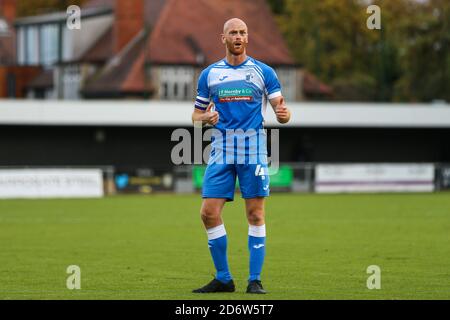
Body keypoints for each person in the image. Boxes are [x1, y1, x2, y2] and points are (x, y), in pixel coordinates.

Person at [191, 18, 291, 294]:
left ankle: (254, 280)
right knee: (208, 213)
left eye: (243, 32)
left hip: (253, 149)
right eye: (233, 32)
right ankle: (224, 278)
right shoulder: (209, 74)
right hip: (221, 150)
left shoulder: (264, 72)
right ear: (222, 38)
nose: (238, 36)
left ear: (248, 38)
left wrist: (284, 115)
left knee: (255, 213)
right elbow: (195, 115)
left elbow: (281, 110)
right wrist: (205, 117)